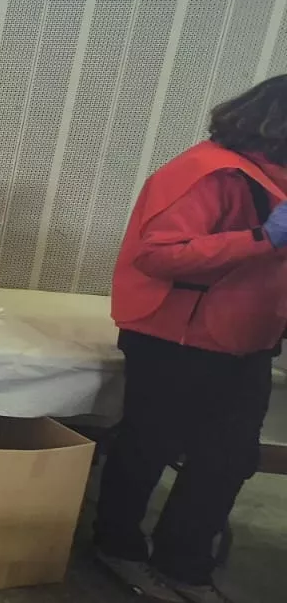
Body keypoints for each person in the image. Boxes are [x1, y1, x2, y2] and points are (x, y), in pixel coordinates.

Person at [94, 76, 287, 603]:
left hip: (246, 341)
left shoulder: (278, 181)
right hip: (176, 339)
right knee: (147, 446)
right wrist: (259, 239)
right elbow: (158, 254)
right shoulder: (208, 172)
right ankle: (117, 546)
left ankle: (185, 562)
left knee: (228, 458)